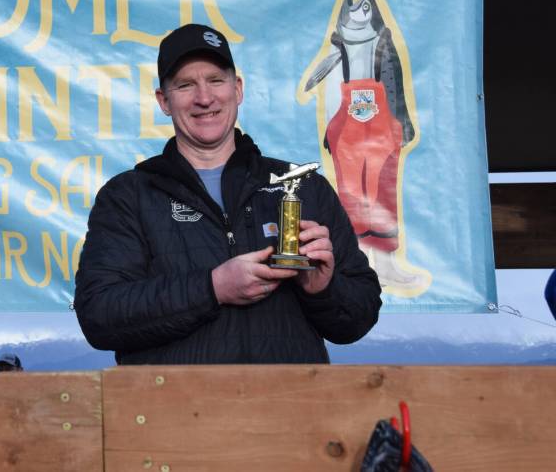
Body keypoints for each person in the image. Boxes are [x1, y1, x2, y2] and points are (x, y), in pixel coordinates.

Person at [74, 23, 381, 364]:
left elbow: (360, 317)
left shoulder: (305, 187)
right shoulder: (127, 197)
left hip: (291, 409)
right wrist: (213, 288)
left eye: (216, 80)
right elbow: (99, 316)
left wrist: (322, 289)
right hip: (174, 413)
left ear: (237, 89)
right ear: (163, 101)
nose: (204, 98)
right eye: (185, 85)